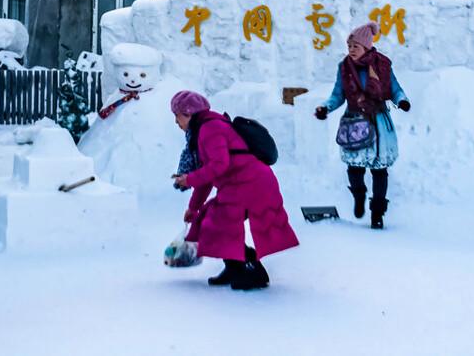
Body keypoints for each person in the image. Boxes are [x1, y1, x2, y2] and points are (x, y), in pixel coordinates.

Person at [170, 90, 299, 291]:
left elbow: (219, 165)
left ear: (188, 113)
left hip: (251, 184)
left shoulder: (210, 128)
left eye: (176, 115)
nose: (176, 122)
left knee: (218, 224)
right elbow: (209, 176)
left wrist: (189, 179)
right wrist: (193, 208)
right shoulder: (203, 128)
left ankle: (252, 271)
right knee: (210, 222)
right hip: (240, 185)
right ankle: (234, 268)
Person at [314, 21, 412, 229]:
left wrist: (401, 100)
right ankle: (359, 196)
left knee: (379, 170)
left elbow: (394, 88)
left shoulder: (382, 65)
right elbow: (337, 95)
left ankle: (377, 212)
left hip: (378, 121)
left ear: (366, 46)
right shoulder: (344, 67)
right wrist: (326, 108)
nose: (350, 50)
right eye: (349, 46)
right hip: (355, 121)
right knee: (354, 166)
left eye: (355, 46)